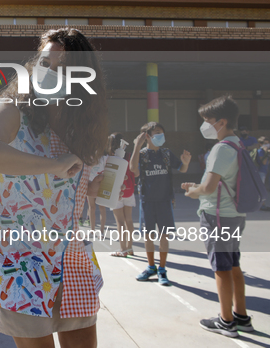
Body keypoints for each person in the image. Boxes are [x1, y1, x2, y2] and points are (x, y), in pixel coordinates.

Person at [0, 28, 109, 348]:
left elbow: (61, 184)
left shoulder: (80, 123)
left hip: (70, 255)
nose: (52, 73)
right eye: (46, 64)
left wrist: (87, 188)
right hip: (20, 260)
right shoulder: (12, 107)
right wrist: (55, 166)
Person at [182, 95, 254, 337]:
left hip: (217, 216)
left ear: (222, 121)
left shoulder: (221, 148)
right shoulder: (238, 144)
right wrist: (199, 185)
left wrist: (194, 192)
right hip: (234, 214)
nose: (205, 125)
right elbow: (221, 181)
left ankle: (226, 321)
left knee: (221, 268)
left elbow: (209, 188)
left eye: (208, 120)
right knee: (233, 264)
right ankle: (241, 316)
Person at [129, 122, 191, 286]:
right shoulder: (142, 154)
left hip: (165, 200)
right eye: (156, 132)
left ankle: (162, 269)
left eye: (162, 132)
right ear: (147, 136)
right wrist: (136, 146)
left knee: (164, 236)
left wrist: (186, 162)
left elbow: (182, 169)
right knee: (148, 236)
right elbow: (133, 170)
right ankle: (151, 267)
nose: (160, 135)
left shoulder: (166, 153)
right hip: (147, 201)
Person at [107, 133, 136, 258]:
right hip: (129, 190)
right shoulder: (129, 156)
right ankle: (129, 247)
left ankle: (122, 248)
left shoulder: (111, 157)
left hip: (116, 192)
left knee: (119, 221)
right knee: (128, 219)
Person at [85, 151, 108, 233]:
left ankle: (102, 230)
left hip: (100, 184)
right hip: (90, 182)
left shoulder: (104, 158)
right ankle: (92, 230)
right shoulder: (88, 157)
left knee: (102, 207)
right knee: (92, 207)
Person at [258, 137, 270, 211]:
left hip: (265, 171)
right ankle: (261, 205)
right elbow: (264, 162)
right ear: (261, 144)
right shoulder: (260, 151)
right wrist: (266, 154)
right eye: (265, 143)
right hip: (260, 171)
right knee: (261, 189)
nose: (267, 145)